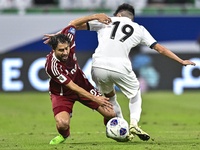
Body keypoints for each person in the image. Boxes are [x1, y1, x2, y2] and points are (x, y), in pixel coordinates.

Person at [74, 3, 196, 141]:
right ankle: (133, 124)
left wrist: (60, 35)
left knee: (110, 98)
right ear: (131, 18)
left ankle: (122, 128)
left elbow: (75, 26)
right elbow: (160, 49)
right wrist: (181, 61)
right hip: (121, 66)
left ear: (118, 15)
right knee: (135, 93)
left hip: (98, 66)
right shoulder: (139, 29)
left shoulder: (106, 20)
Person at [43, 14, 117, 145]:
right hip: (62, 94)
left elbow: (73, 23)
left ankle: (112, 130)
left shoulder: (68, 38)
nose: (66, 52)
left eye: (67, 48)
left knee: (111, 114)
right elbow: (72, 86)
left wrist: (96, 16)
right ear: (53, 49)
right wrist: (95, 98)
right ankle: (64, 135)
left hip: (84, 86)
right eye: (61, 50)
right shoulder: (51, 66)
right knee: (62, 124)